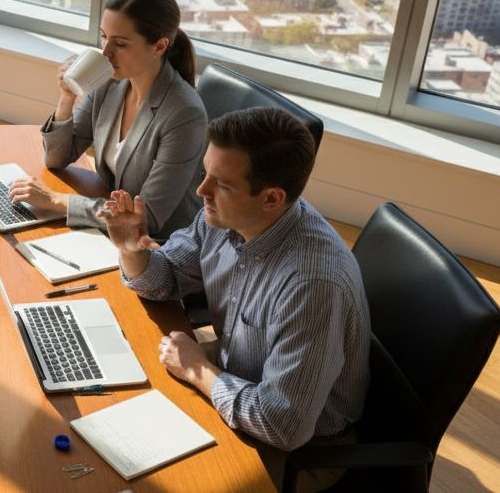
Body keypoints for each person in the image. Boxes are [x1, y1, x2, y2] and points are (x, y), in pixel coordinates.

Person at [100, 107, 370, 491]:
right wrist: (132, 250)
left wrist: (197, 370)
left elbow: (282, 424)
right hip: (237, 382)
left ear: (272, 198)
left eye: (221, 184)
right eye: (206, 173)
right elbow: (169, 277)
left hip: (299, 453)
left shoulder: (312, 285)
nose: (201, 191)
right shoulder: (227, 217)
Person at [10, 0, 207, 240]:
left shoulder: (184, 114)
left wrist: (56, 201)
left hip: (157, 245)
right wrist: (67, 98)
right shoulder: (109, 83)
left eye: (120, 44)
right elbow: (57, 158)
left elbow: (147, 217)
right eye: (104, 36)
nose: (106, 53)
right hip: (110, 224)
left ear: (159, 47)